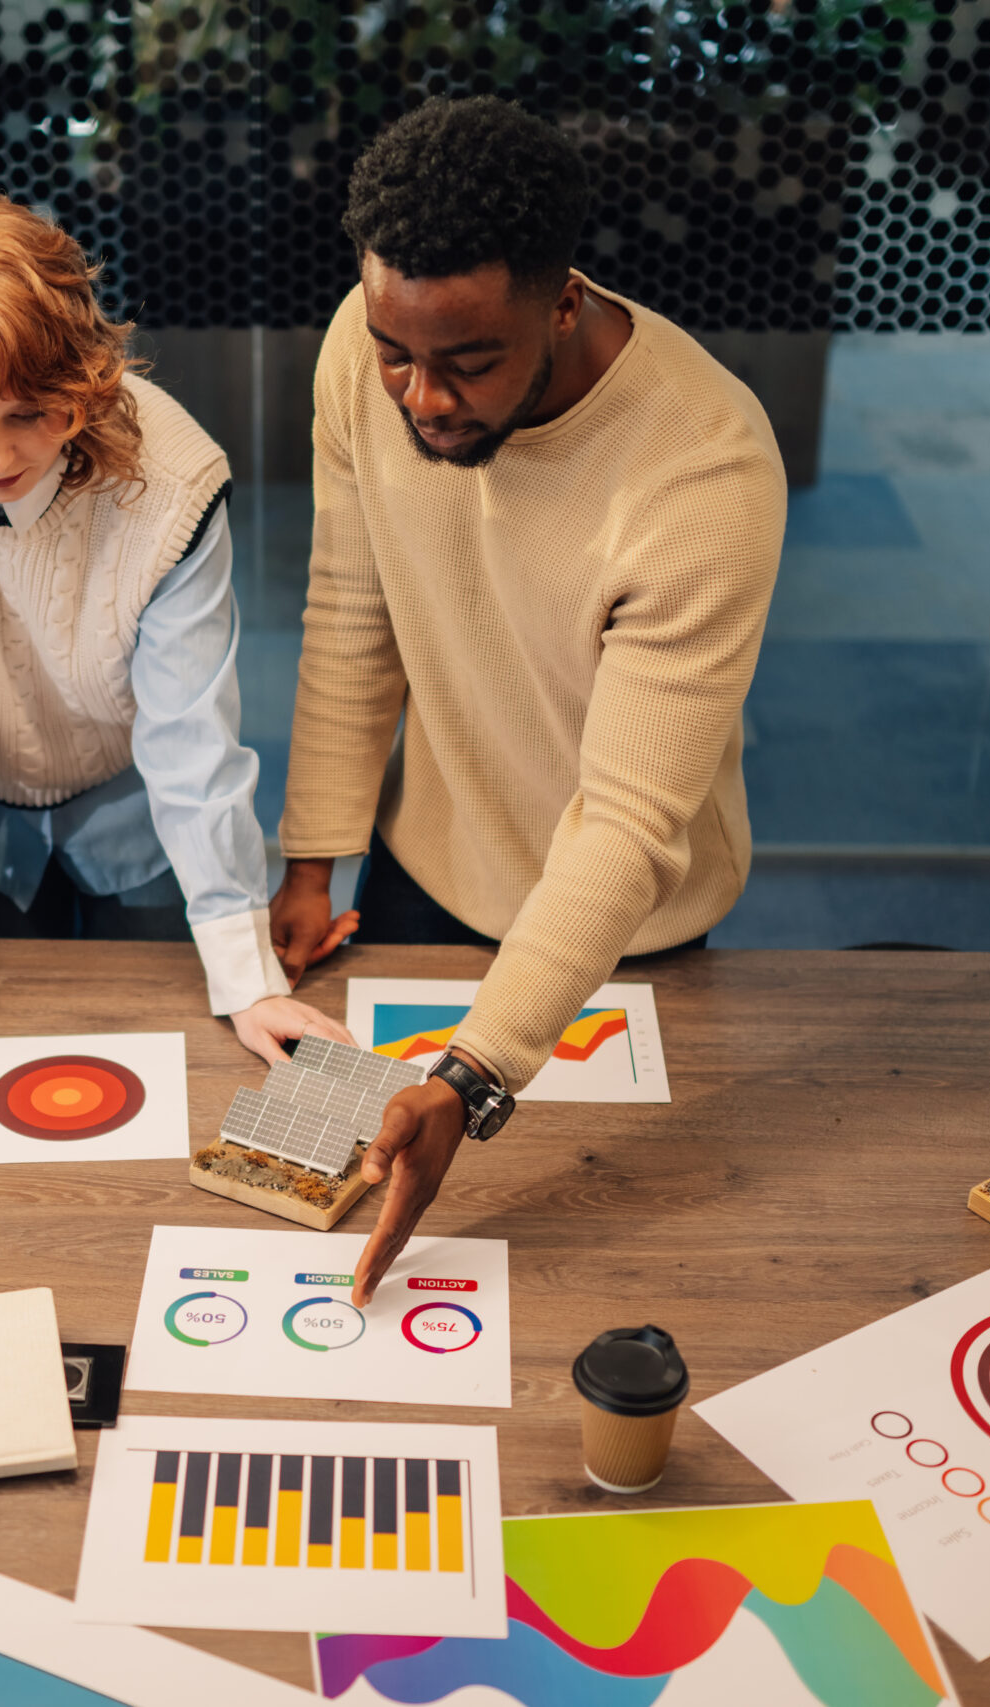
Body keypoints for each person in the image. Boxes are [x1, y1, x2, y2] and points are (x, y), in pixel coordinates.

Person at [269, 99, 787, 1302]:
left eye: (466, 363)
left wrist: (475, 1076)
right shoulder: (368, 345)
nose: (419, 399)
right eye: (399, 354)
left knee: (618, 1260)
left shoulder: (703, 475)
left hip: (627, 926)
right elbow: (353, 609)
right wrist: (312, 857)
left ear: (563, 300)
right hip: (427, 861)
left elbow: (624, 825)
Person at [0, 191, 347, 1063]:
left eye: (29, 412)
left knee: (158, 1048)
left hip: (137, 800)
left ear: (82, 383)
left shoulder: (177, 477)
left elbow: (191, 735)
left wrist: (248, 979)